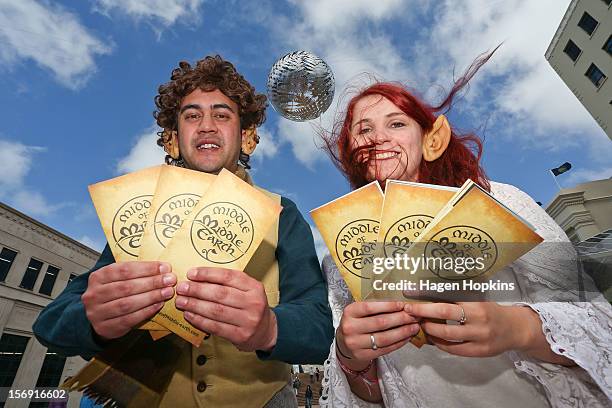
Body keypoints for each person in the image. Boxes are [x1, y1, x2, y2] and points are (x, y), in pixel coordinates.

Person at [33, 55, 334, 408]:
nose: (206, 125)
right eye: (192, 115)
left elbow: (317, 328)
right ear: (174, 138)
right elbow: (50, 323)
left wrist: (270, 327)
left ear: (247, 135)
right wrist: (92, 319)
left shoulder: (283, 214)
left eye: (222, 115)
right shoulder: (141, 215)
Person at [319, 50, 612, 407]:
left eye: (396, 124)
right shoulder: (342, 260)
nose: (377, 138)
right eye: (363, 129)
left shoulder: (500, 202)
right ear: (351, 150)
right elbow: (378, 393)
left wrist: (518, 327)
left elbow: (598, 324)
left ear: (430, 140)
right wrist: (352, 359)